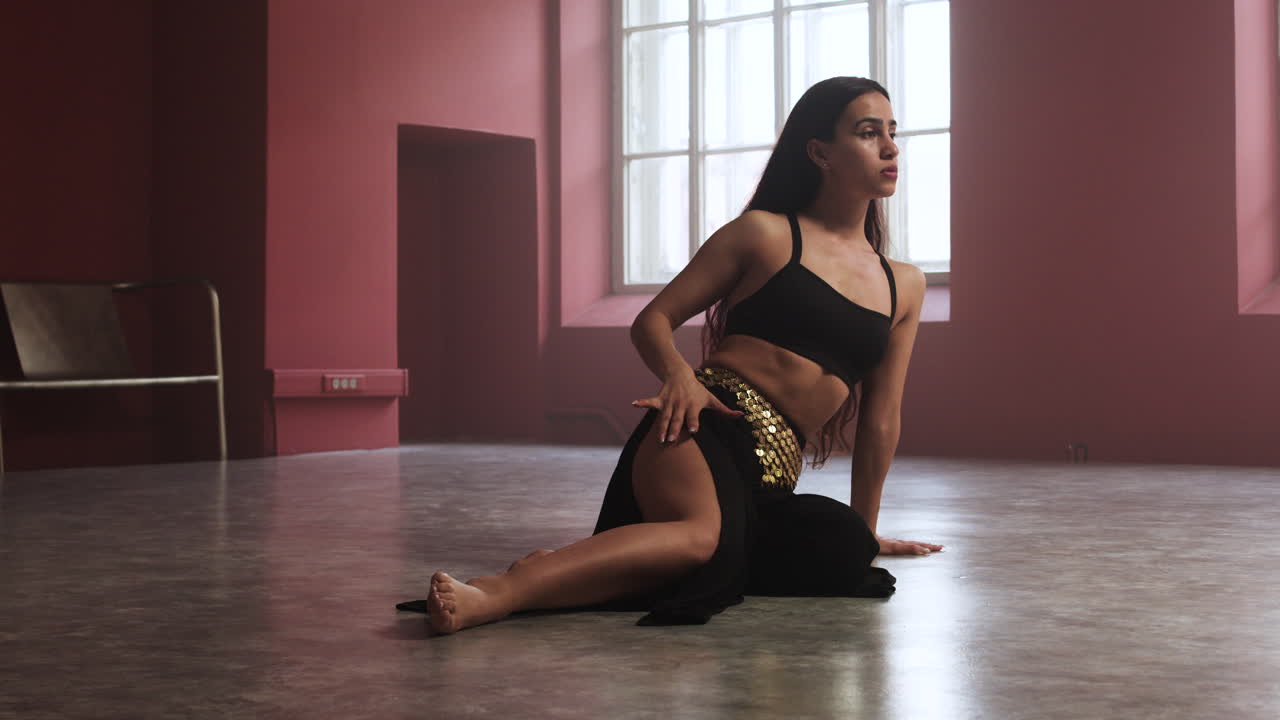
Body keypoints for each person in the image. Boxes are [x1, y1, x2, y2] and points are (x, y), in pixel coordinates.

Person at [424, 77, 942, 634]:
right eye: (868, 133)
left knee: (841, 550)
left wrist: (866, 534)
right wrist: (679, 377)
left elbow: (881, 419)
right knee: (701, 539)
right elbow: (653, 319)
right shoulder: (765, 235)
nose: (890, 147)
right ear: (819, 152)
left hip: (775, 468)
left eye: (893, 133)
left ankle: (560, 567)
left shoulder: (903, 285)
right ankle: (496, 593)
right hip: (705, 421)